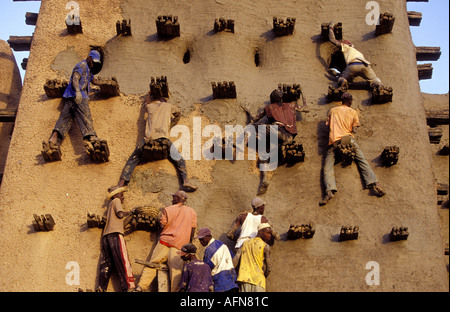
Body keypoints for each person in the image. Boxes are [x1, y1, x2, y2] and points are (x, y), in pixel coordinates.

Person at [115, 89, 197, 192]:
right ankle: (185, 181)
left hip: (148, 140)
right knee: (179, 160)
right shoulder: (168, 106)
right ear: (165, 100)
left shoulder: (150, 106)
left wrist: (149, 95)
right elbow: (178, 114)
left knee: (133, 159)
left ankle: (120, 184)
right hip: (164, 140)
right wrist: (170, 125)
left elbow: (145, 104)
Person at [320, 92, 386, 205]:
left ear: (342, 100)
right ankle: (376, 184)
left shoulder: (332, 110)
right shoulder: (353, 112)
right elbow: (354, 129)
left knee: (327, 167)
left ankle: (330, 190)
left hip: (335, 142)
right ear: (350, 101)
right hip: (349, 140)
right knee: (362, 161)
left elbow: (328, 125)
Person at [43, 50, 106, 161]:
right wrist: (77, 92)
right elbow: (75, 78)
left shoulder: (89, 70)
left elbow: (93, 81)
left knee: (65, 119)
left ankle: (53, 139)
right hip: (78, 95)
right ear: (90, 58)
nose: (93, 63)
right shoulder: (81, 65)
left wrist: (103, 83)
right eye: (93, 61)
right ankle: (91, 136)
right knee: (85, 114)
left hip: (70, 97)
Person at [243, 88, 308, 195]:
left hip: (277, 131)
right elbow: (306, 109)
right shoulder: (290, 105)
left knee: (251, 127)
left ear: (271, 99)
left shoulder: (269, 107)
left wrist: (248, 111)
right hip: (289, 137)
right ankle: (264, 180)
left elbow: (255, 119)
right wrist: (303, 97)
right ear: (281, 98)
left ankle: (241, 144)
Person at [136, 190, 197, 292]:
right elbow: (193, 229)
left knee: (152, 264)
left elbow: (161, 225)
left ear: (178, 198)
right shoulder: (192, 212)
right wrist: (188, 243)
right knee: (176, 272)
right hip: (179, 246)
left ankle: (141, 286)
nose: (172, 199)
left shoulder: (168, 209)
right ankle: (175, 291)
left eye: (174, 197)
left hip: (164, 243)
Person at [96, 186, 137, 292]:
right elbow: (120, 214)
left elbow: (120, 223)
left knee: (106, 263)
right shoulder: (116, 200)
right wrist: (130, 212)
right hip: (115, 235)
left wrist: (129, 217)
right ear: (115, 195)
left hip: (106, 236)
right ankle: (128, 286)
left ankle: (101, 287)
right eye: (121, 194)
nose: (123, 197)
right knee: (122, 260)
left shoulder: (110, 205)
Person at [328, 21, 383, 91]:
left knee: (342, 78)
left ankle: (343, 81)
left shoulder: (346, 46)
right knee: (375, 80)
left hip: (353, 65)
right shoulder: (357, 52)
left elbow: (332, 39)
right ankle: (379, 85)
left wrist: (330, 28)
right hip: (365, 65)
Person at [197, 227, 238, 292]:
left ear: (208, 236)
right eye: (199, 240)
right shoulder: (223, 245)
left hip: (220, 283)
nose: (200, 241)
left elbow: (206, 269)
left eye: (202, 239)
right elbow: (232, 258)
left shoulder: (209, 249)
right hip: (232, 281)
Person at [235, 223, 273, 292]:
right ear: (260, 232)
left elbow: (236, 259)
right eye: (268, 233)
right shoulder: (265, 246)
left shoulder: (245, 243)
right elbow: (269, 268)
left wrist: (232, 272)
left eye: (270, 234)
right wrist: (263, 276)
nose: (269, 236)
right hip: (259, 281)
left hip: (244, 278)